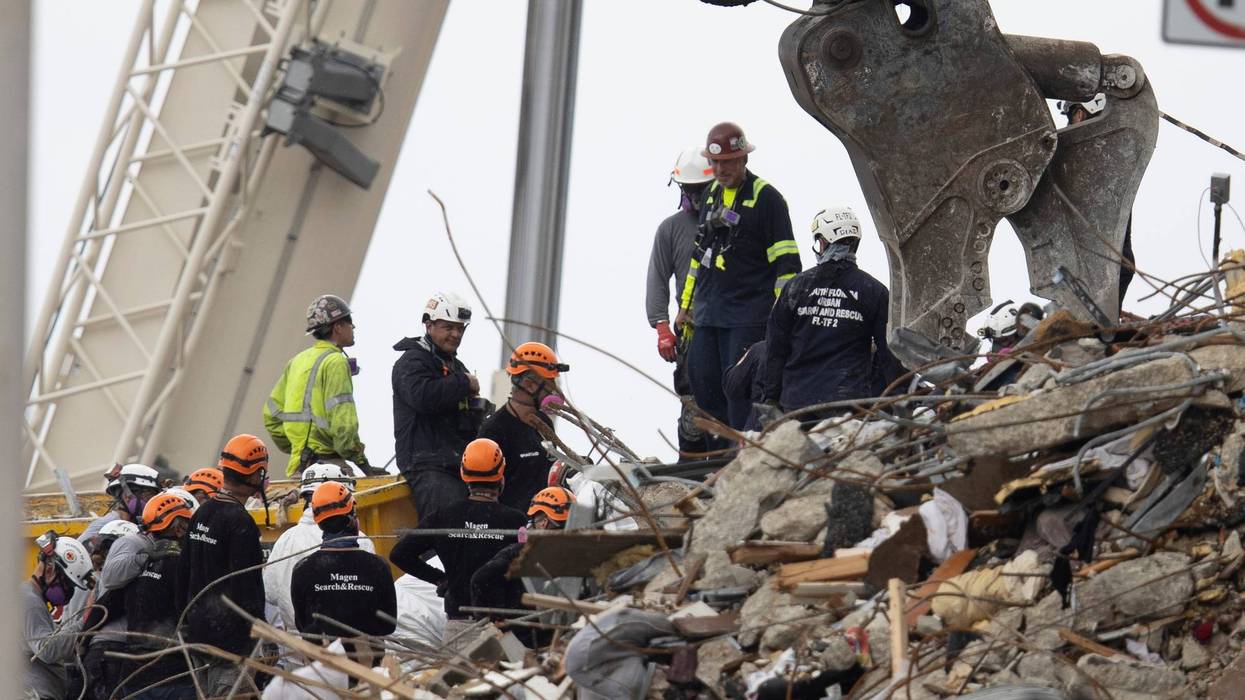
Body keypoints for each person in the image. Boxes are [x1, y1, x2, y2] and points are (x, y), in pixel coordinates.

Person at [675, 122, 801, 436]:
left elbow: (787, 264)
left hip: (747, 317)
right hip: (707, 315)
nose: (721, 168)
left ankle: (739, 458)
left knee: (738, 392)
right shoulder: (711, 196)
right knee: (703, 387)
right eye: (715, 162)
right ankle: (714, 464)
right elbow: (698, 259)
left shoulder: (767, 200)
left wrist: (781, 316)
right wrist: (685, 305)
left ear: (743, 159)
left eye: (728, 161)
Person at [390, 438, 527, 653]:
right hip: (504, 628)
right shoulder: (515, 522)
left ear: (464, 475)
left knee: (457, 686)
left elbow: (400, 554)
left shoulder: (444, 517)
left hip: (459, 629)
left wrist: (441, 579)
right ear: (501, 476)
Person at [763, 206, 904, 413]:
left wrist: (770, 398)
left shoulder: (795, 287)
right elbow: (889, 352)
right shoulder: (874, 291)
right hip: (848, 406)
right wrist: (900, 398)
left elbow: (776, 347)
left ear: (823, 241)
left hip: (797, 404)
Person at [178, 434, 269, 696]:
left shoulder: (201, 513)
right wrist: (261, 635)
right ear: (254, 475)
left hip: (198, 634)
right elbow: (248, 587)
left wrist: (185, 624)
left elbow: (184, 573)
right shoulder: (240, 522)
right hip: (232, 644)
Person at [392, 292, 489, 518]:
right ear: (429, 325)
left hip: (456, 467)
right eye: (448, 327)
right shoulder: (411, 362)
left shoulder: (455, 365)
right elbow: (423, 397)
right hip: (428, 467)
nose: (456, 334)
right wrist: (464, 382)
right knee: (445, 536)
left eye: (461, 329)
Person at [647, 148, 713, 458]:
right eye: (689, 189)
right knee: (693, 415)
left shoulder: (733, 221)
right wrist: (661, 327)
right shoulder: (671, 229)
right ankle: (691, 466)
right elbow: (657, 280)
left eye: (699, 189)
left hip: (730, 327)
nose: (694, 196)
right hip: (692, 332)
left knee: (729, 406)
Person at [264, 294, 373, 478]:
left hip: (298, 470)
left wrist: (297, 447)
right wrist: (362, 463)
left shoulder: (296, 361)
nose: (353, 327)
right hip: (328, 469)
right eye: (349, 321)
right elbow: (343, 425)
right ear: (337, 327)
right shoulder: (336, 362)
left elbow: (271, 416)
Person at [291, 481, 396, 665]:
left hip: (321, 670)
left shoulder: (303, 569)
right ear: (352, 518)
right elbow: (388, 624)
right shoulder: (377, 566)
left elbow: (303, 625)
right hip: (368, 670)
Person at [264, 463, 375, 637]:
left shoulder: (286, 539)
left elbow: (270, 593)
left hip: (297, 646)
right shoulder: (359, 540)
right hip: (349, 646)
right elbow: (373, 600)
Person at [1058, 94, 1135, 309]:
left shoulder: (1100, 151)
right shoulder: (1109, 151)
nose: (1071, 122)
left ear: (1082, 113)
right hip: (1092, 259)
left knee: (1121, 267)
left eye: (1074, 115)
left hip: (1103, 256)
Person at [479, 342, 567, 511]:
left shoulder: (544, 423)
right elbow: (484, 495)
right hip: (511, 528)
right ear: (529, 384)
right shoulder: (494, 430)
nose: (554, 390)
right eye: (549, 383)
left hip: (540, 524)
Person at [124, 493, 196, 699]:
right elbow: (194, 614)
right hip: (174, 676)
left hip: (135, 677)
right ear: (178, 528)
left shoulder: (136, 566)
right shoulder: (182, 568)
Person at [470, 486, 574, 617]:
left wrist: (495, 618)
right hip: (553, 632)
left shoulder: (517, 553)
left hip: (525, 632)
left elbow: (481, 579)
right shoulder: (577, 555)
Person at [24, 533, 92, 700]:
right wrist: (84, 621)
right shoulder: (28, 601)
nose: (69, 592)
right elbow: (46, 649)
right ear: (50, 570)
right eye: (68, 584)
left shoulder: (32, 600)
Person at [81, 463, 162, 547]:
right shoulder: (106, 524)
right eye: (148, 495)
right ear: (127, 497)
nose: (152, 501)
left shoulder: (142, 523)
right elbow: (78, 551)